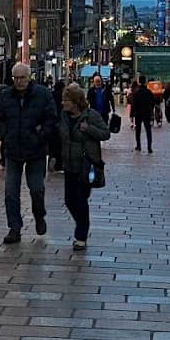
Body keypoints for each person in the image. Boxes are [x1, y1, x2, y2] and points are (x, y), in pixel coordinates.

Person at [0, 62, 58, 245]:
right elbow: (1, 118)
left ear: (29, 77)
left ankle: (39, 216)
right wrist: (4, 135)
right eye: (16, 78)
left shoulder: (43, 94)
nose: (19, 82)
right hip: (13, 150)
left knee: (36, 188)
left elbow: (51, 118)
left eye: (22, 78)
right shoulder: (6, 95)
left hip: (35, 151)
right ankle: (14, 228)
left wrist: (41, 135)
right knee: (10, 192)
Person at [59, 82, 110, 250]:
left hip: (86, 166)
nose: (63, 103)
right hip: (69, 165)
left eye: (66, 100)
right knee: (69, 200)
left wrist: (89, 129)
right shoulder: (64, 116)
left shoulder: (91, 116)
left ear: (75, 101)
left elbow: (106, 133)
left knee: (80, 201)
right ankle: (81, 225)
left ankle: (81, 235)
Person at [132, 75, 155, 153]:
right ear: (145, 82)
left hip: (138, 113)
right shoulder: (149, 92)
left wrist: (133, 113)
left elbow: (133, 104)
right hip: (146, 113)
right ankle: (149, 147)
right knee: (148, 130)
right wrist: (150, 110)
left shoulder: (136, 92)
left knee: (138, 130)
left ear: (139, 81)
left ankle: (138, 146)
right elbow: (152, 103)